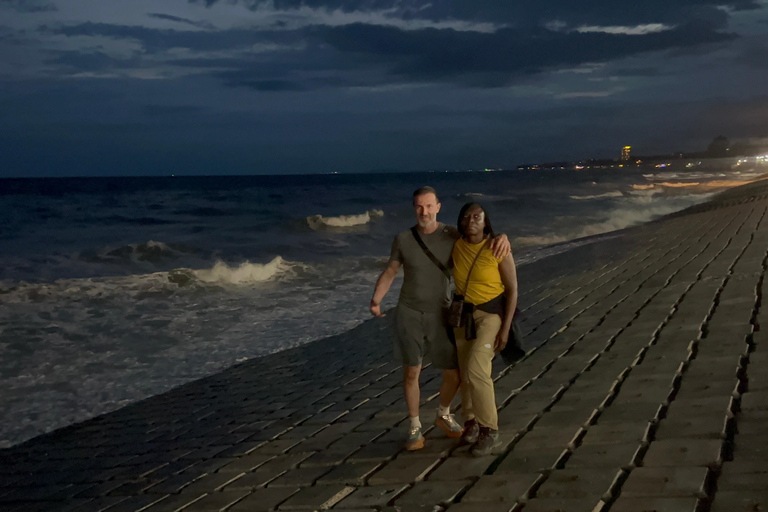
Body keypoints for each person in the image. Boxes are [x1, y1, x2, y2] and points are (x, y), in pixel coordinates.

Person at [370, 187, 510, 451]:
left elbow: (480, 236)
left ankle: (444, 413)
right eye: (419, 207)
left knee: (455, 374)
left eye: (429, 206)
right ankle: (414, 427)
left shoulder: (452, 235)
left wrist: (503, 236)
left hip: (444, 313)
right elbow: (390, 271)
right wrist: (376, 299)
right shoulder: (403, 239)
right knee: (412, 371)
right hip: (409, 312)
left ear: (438, 207)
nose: (425, 212)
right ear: (414, 208)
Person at [452, 202, 518, 456]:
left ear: (486, 222)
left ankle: (490, 429)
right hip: (463, 317)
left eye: (477, 217)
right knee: (465, 372)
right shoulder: (455, 245)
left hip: (491, 315)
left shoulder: (498, 248)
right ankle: (470, 423)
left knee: (477, 366)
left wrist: (506, 328)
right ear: (460, 222)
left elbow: (512, 290)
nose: (471, 221)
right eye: (466, 217)